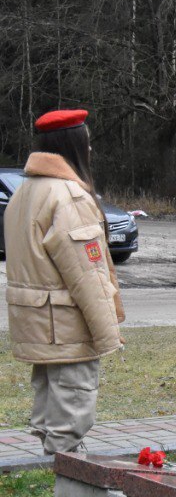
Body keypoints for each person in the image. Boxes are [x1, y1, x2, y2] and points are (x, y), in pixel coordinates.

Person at [4, 109, 125, 455]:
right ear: (74, 145)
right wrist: (107, 335)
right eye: (87, 143)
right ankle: (64, 487)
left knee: (49, 411)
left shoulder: (24, 194)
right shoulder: (68, 197)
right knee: (71, 411)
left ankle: (52, 473)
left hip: (40, 325)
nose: (91, 151)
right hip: (66, 327)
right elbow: (88, 277)